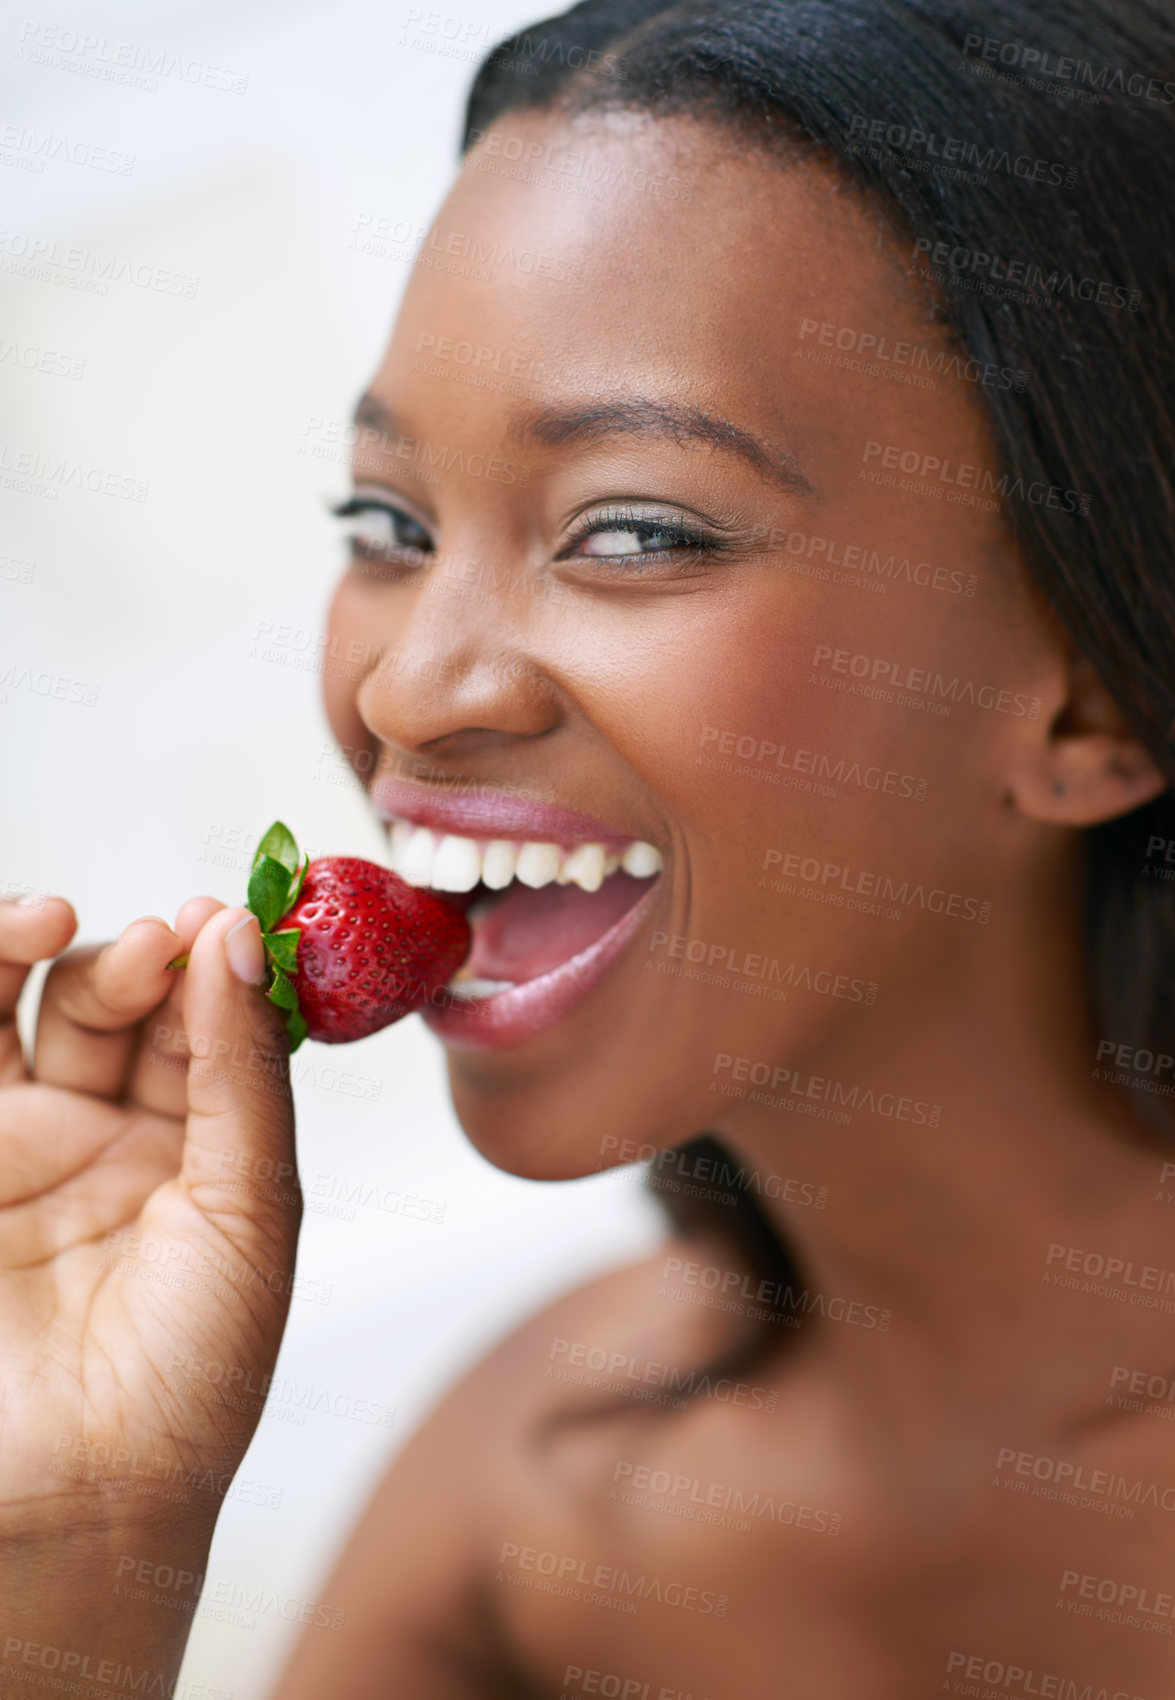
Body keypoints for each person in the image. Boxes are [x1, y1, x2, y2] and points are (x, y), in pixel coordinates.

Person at [4, 0, 1174, 1693]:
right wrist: (66, 1555)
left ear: (1093, 705)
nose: (409, 685)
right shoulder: (523, 1510)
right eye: (388, 525)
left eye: (634, 528)